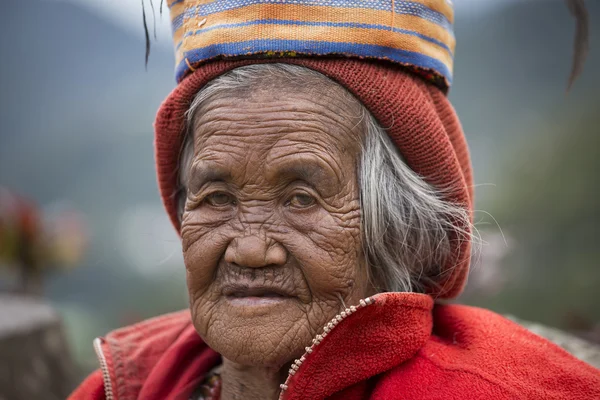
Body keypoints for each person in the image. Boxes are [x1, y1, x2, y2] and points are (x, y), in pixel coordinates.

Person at [69, 1, 600, 399]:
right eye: (217, 197)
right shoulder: (128, 382)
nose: (250, 250)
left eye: (300, 199)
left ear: (401, 231)